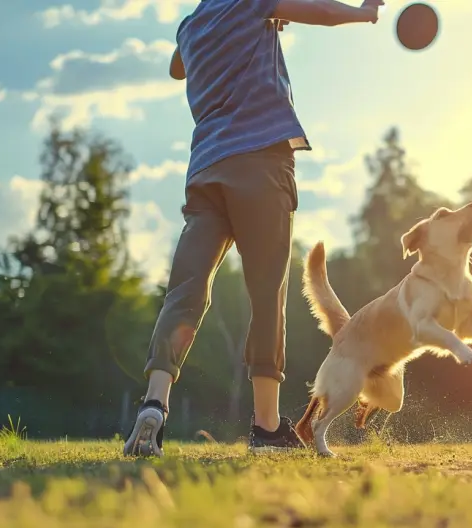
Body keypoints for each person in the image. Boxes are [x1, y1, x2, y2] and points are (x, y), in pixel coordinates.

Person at [124, 0, 385, 458]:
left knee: (185, 289)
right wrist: (363, 12)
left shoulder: (190, 27)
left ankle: (154, 403)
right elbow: (320, 11)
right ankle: (266, 427)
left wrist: (236, 27)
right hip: (261, 161)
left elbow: (176, 68)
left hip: (206, 169)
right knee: (267, 295)